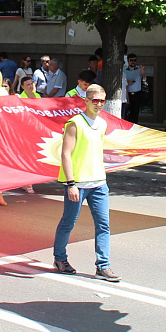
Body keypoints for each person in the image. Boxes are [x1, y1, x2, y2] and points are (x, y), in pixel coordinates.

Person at [52, 84, 119, 282]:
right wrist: (71, 183)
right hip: (78, 183)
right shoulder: (75, 123)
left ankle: (103, 265)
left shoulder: (102, 124)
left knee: (103, 225)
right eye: (95, 100)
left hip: (98, 182)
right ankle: (60, 259)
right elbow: (66, 153)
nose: (98, 104)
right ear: (86, 101)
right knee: (68, 222)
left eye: (102, 101)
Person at [123, 54, 145, 123]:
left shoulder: (138, 69)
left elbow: (144, 73)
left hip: (137, 94)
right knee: (128, 113)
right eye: (131, 60)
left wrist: (142, 68)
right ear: (128, 61)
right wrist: (128, 82)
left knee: (135, 112)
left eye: (134, 60)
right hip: (128, 93)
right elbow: (123, 81)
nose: (133, 62)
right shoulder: (124, 70)